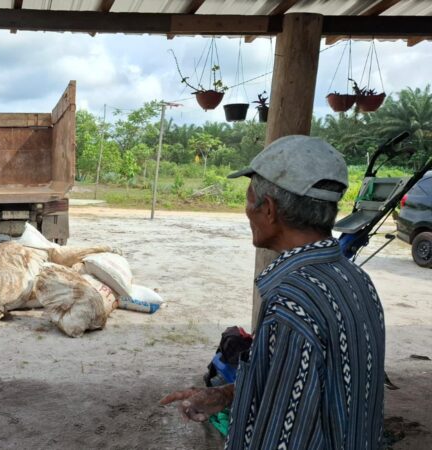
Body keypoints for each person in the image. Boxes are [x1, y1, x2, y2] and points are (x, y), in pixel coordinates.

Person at [161, 135, 385, 449]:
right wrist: (225, 394)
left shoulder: (291, 303)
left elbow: (284, 431)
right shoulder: (355, 279)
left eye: (248, 201)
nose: (246, 212)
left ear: (268, 209)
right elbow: (305, 382)